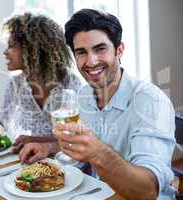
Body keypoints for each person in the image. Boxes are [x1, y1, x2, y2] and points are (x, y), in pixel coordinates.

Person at [19, 9, 176, 199]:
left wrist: (97, 152)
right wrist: (50, 147)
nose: (91, 62)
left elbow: (148, 191)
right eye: (81, 52)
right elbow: (84, 147)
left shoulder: (150, 101)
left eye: (100, 49)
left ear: (119, 50)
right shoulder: (84, 95)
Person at [0, 12, 83, 153]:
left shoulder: (70, 83)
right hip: (31, 155)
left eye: (11, 46)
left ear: (32, 50)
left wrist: (34, 140)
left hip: (67, 159)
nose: (5, 52)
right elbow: (4, 121)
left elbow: (74, 138)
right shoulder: (16, 83)